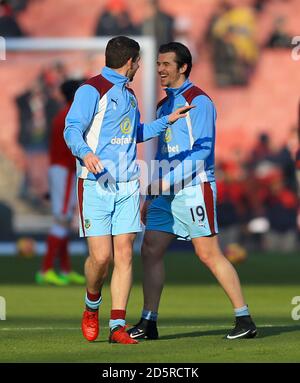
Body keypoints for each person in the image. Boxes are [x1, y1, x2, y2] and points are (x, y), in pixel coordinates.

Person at [64, 36, 193, 344]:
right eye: (139, 62)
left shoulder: (130, 96)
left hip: (127, 185)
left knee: (124, 254)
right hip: (96, 184)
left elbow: (134, 133)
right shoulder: (91, 90)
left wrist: (166, 121)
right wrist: (86, 153)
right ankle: (91, 305)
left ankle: (117, 325)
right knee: (102, 259)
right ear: (131, 62)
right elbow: (71, 128)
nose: (140, 67)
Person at [127, 42, 257, 341]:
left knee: (208, 254)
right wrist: (152, 194)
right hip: (164, 192)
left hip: (194, 189)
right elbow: (162, 151)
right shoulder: (164, 106)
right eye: (158, 63)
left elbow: (203, 151)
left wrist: (166, 182)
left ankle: (244, 319)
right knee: (150, 250)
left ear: (183, 67)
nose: (159, 69)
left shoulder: (200, 102)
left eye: (165, 64)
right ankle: (149, 322)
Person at [36, 79, 85, 286]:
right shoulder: (69, 115)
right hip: (65, 170)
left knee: (63, 220)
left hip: (62, 170)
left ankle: (65, 270)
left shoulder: (63, 114)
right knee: (62, 219)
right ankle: (45, 270)